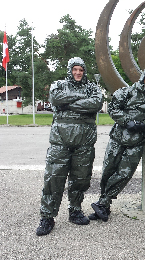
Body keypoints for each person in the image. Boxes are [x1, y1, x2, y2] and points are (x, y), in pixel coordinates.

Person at [36, 57, 103, 236]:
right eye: (75, 69)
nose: (78, 73)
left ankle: (75, 210)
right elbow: (56, 99)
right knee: (54, 179)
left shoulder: (93, 88)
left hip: (84, 142)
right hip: (60, 141)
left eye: (81, 69)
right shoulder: (58, 85)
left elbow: (96, 103)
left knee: (81, 179)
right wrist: (81, 100)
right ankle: (47, 217)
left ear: (84, 71)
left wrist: (69, 104)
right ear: (70, 70)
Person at [90, 66, 145, 221]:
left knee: (124, 174)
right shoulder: (127, 92)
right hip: (118, 137)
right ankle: (104, 206)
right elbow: (113, 108)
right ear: (142, 79)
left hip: (136, 142)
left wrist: (144, 124)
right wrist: (128, 121)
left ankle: (102, 202)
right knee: (108, 171)